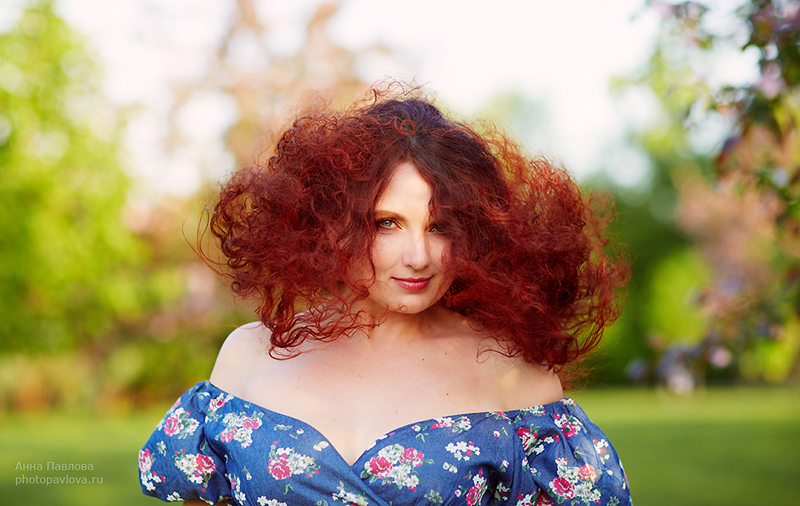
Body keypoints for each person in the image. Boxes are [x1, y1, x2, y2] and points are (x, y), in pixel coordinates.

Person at [139, 85, 632, 506]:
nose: (418, 256)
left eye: (440, 227)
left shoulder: (514, 376)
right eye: (387, 223)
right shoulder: (249, 355)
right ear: (332, 223)